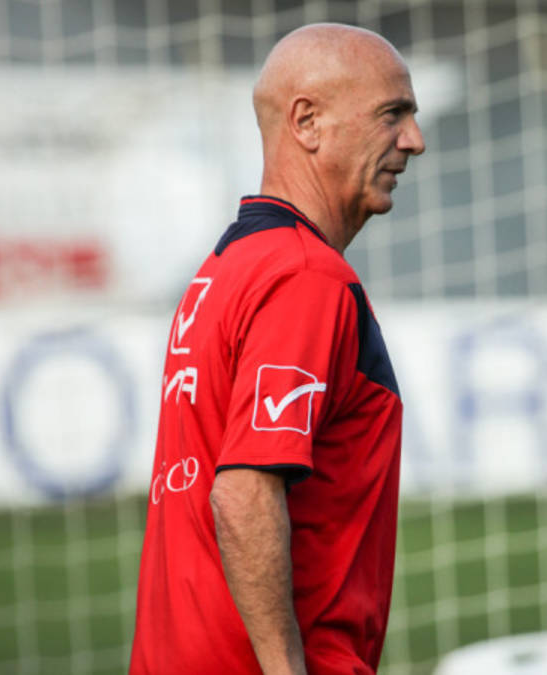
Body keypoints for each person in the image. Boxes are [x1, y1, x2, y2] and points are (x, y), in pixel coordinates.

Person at [130, 22, 425, 675]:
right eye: (392, 114)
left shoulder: (225, 267)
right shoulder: (306, 276)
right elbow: (243, 492)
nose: (414, 139)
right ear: (307, 122)